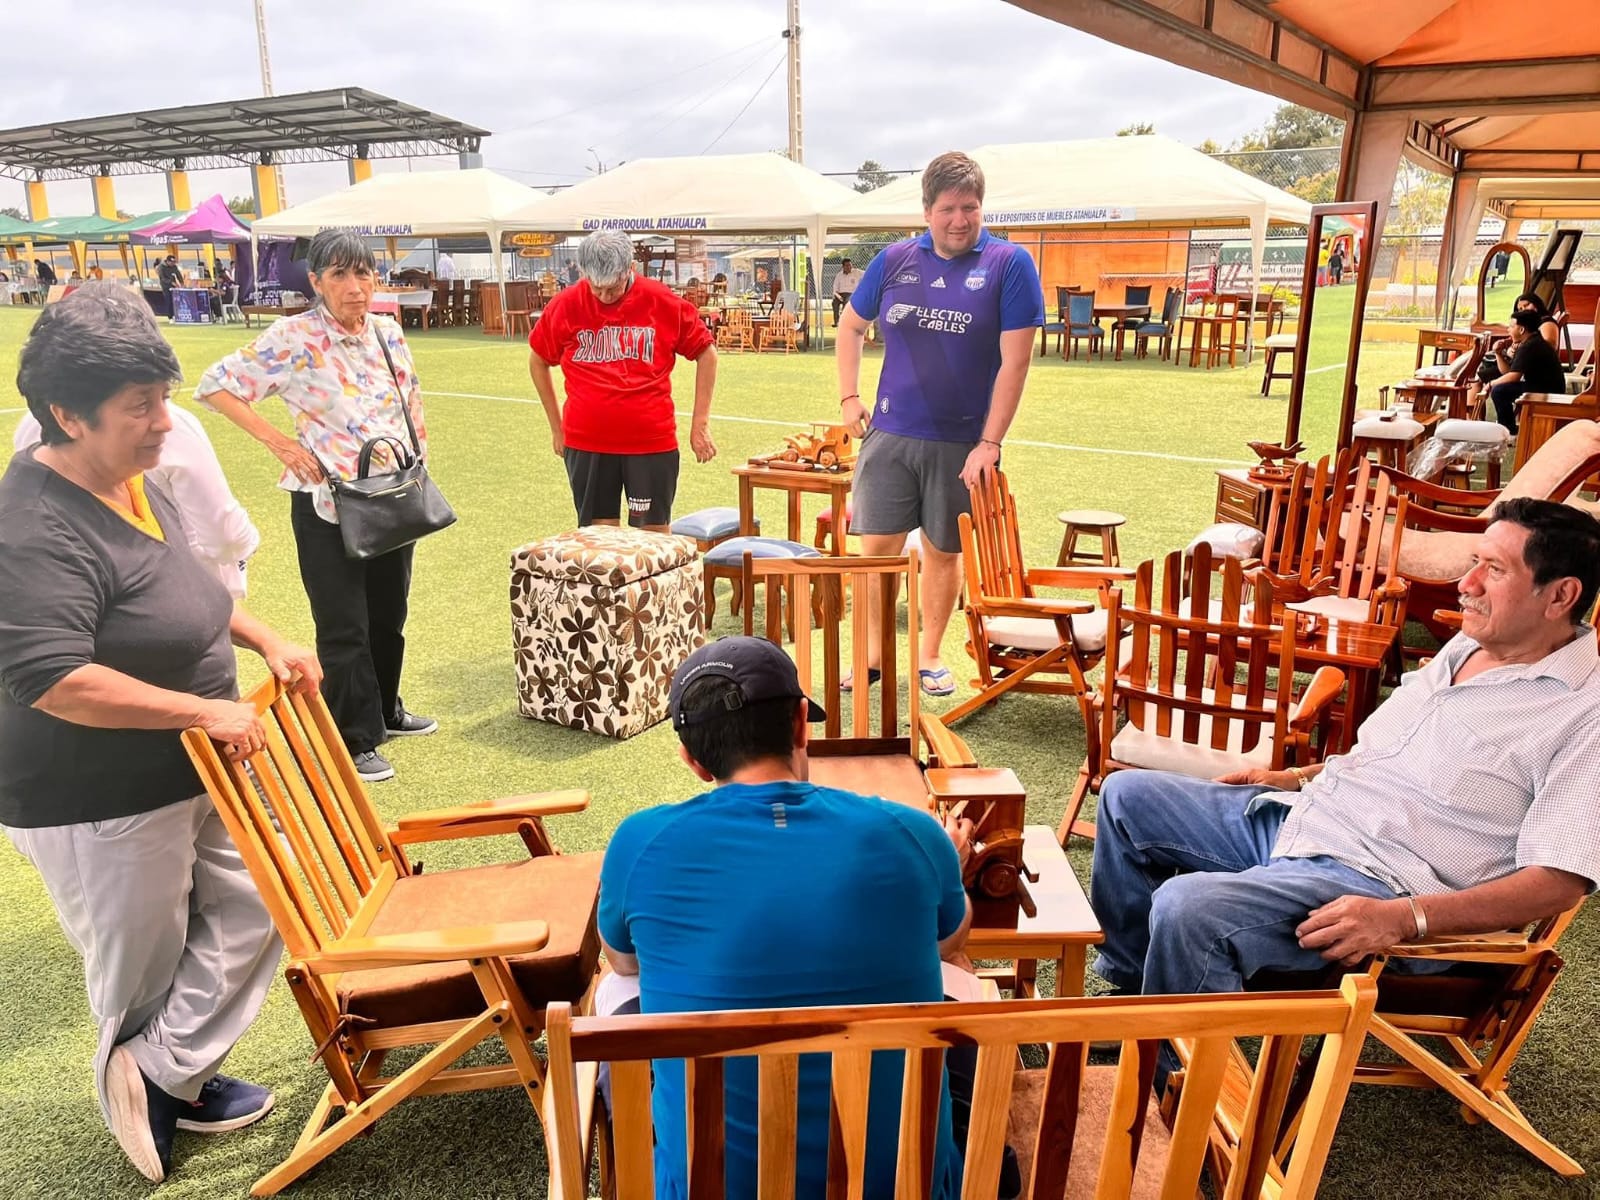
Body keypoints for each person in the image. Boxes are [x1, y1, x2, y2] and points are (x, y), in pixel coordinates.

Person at [0, 284, 323, 1183]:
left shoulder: (130, 481)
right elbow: (54, 682)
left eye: (164, 398)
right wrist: (203, 710)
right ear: (67, 414)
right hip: (96, 791)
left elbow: (188, 590)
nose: (163, 422)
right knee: (143, 969)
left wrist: (265, 637)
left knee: (263, 899)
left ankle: (159, 1072)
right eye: (139, 406)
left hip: (194, 765)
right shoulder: (32, 526)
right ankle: (159, 1084)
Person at [1089, 498, 1600, 1004]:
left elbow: (1558, 882)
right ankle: (1134, 992)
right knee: (1126, 796)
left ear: (1560, 596)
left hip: (1376, 883)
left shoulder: (1584, 716)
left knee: (1188, 906)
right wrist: (1294, 778)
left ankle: (1162, 1056)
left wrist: (1403, 917)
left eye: (1495, 570)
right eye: (1474, 563)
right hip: (1305, 818)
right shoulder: (1468, 646)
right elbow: (1393, 758)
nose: (1466, 584)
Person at [597, 636, 1016, 1200]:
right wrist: (949, 867)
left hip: (702, 1187)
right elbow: (948, 940)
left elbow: (623, 961)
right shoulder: (914, 834)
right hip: (905, 1186)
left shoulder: (639, 842)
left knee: (616, 990)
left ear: (692, 760)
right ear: (801, 723)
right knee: (955, 983)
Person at [194, 228, 438, 784]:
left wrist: (418, 465)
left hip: (392, 494)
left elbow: (410, 401)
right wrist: (280, 444)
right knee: (343, 624)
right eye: (339, 275)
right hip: (328, 504)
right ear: (317, 282)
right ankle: (354, 736)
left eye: (363, 273)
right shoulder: (294, 336)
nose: (355, 287)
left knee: (389, 614)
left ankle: (386, 708)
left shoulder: (387, 331)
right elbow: (215, 386)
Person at [835, 151, 1044, 696]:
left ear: (982, 208)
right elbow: (850, 327)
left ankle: (928, 656)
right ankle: (874, 658)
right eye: (948, 208)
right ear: (927, 211)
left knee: (944, 551)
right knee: (876, 554)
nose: (959, 220)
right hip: (889, 436)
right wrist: (849, 396)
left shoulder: (1009, 264)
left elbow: (1016, 363)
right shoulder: (894, 260)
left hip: (960, 442)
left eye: (969, 207)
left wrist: (990, 442)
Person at [529, 228, 718, 533]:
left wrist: (700, 423)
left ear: (630, 268)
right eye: (596, 288)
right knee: (598, 538)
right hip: (586, 442)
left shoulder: (660, 301)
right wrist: (556, 426)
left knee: (652, 538)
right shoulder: (566, 304)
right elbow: (538, 360)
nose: (604, 297)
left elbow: (706, 353)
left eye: (613, 288)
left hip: (650, 442)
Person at [14, 401, 261, 598]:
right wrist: (245, 544)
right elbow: (224, 534)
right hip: (178, 585)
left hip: (79, 582)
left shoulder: (33, 422)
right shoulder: (174, 425)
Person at [1485, 310, 1566, 433]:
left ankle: (1508, 429)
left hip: (1548, 389)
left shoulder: (1531, 345)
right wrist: (1498, 353)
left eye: (1511, 326)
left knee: (1499, 391)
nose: (1508, 330)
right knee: (1500, 389)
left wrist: (1491, 383)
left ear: (1522, 330)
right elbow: (1508, 372)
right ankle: (1509, 427)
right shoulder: (1529, 342)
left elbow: (1514, 377)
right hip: (1539, 385)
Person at [831, 256, 860, 325]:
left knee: (847, 301)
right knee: (834, 303)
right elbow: (835, 287)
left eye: (850, 265)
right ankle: (837, 321)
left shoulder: (857, 272)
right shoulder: (839, 275)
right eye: (847, 265)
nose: (849, 267)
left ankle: (844, 321)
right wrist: (838, 296)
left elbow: (867, 273)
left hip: (851, 293)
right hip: (840, 294)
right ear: (843, 267)